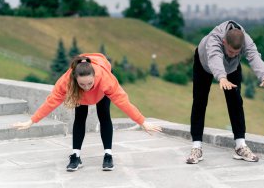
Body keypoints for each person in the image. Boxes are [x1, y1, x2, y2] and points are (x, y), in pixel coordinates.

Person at [13, 53, 161, 171]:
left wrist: (142, 122)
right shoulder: (67, 82)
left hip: (101, 90)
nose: (86, 87)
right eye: (82, 84)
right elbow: (51, 102)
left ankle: (108, 155)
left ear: (94, 77)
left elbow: (123, 102)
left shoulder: (104, 80)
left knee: (104, 115)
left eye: (90, 83)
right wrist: (32, 121)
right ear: (75, 80)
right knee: (80, 117)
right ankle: (75, 156)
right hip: (79, 95)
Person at [186, 20, 264, 164]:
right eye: (230, 51)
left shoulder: (245, 39)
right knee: (200, 101)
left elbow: (253, 56)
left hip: (231, 68)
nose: (233, 55)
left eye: (237, 52)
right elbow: (215, 58)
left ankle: (240, 146)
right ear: (224, 42)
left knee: (235, 101)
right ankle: (196, 147)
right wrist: (221, 77)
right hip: (204, 64)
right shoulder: (214, 40)